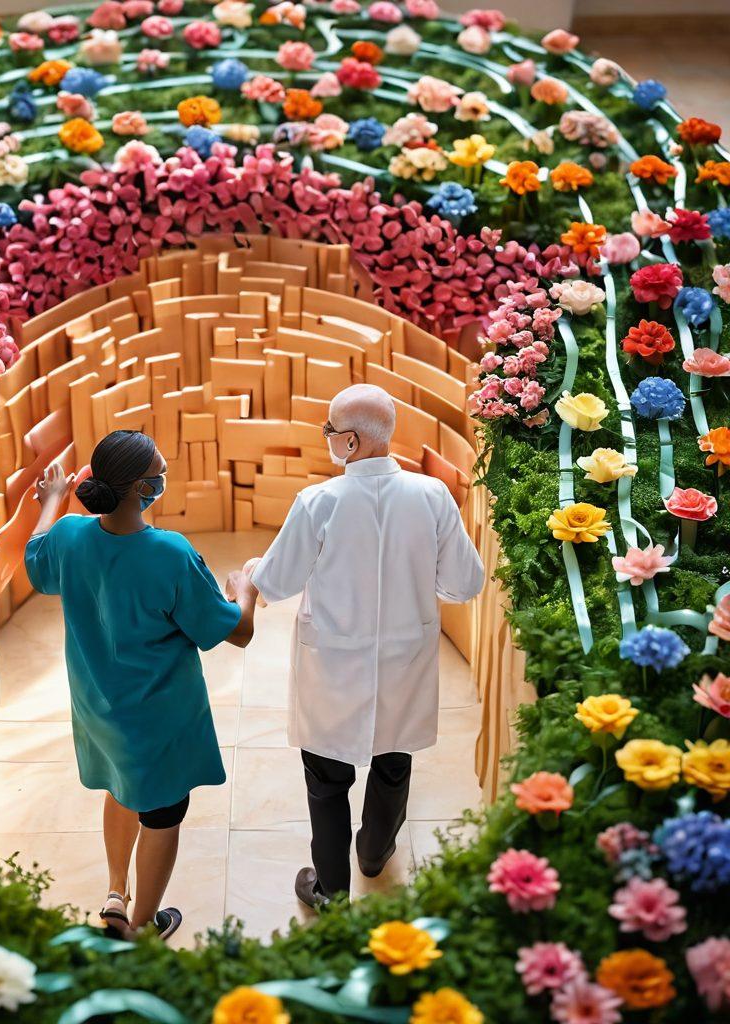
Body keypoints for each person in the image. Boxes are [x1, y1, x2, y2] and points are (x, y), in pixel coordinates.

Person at [246, 384, 484, 907]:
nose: (327, 438)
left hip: (332, 669)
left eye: (331, 430)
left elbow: (277, 583)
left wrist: (249, 574)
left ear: (351, 442)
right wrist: (426, 590)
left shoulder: (319, 501)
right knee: (394, 761)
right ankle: (375, 854)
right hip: (406, 662)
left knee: (327, 781)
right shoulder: (432, 495)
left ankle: (331, 893)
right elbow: (466, 583)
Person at [24, 430, 257, 941]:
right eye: (159, 469)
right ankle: (143, 927)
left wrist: (53, 501)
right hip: (159, 720)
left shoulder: (69, 538)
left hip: (98, 709)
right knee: (163, 812)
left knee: (121, 786)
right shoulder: (169, 553)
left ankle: (115, 890)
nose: (164, 475)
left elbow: (36, 558)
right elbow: (236, 633)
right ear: (138, 489)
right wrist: (245, 590)